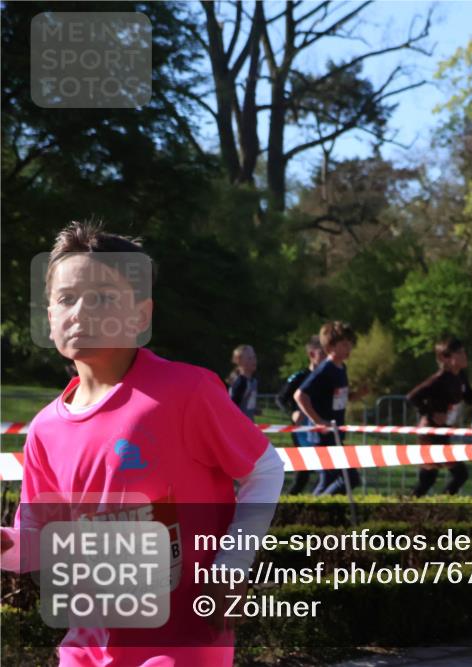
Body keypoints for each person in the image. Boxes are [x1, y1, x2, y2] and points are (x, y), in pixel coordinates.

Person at [0, 222, 284, 666]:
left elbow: (264, 470)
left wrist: (230, 568)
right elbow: (37, 542)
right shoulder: (43, 431)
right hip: (86, 648)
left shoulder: (185, 391)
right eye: (66, 298)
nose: (81, 311)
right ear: (49, 316)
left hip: (181, 644)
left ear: (141, 316)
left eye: (102, 298)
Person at [294, 321, 362, 496]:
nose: (349, 348)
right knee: (348, 478)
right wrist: (319, 422)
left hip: (336, 434)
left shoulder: (341, 368)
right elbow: (300, 395)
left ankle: (312, 515)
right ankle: (312, 512)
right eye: (344, 344)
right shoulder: (326, 368)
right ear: (330, 347)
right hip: (323, 437)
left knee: (329, 480)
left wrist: (358, 394)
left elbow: (337, 398)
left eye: (350, 344)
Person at [407, 335, 472, 497]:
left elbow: (471, 398)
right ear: (447, 358)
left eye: (465, 352)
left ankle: (414, 503)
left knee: (430, 478)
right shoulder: (439, 379)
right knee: (459, 474)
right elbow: (412, 397)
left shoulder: (461, 377)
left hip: (443, 431)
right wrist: (430, 413)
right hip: (430, 432)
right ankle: (440, 504)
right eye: (460, 353)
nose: (465, 357)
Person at [279, 336, 325, 495]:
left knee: (322, 473)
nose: (326, 357)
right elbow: (281, 398)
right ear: (312, 354)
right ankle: (288, 508)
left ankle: (310, 505)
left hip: (321, 429)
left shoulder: (328, 378)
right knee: (306, 474)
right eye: (322, 353)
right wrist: (293, 413)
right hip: (303, 432)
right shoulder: (299, 377)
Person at [227, 343, 258, 420]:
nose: (254, 360)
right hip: (238, 425)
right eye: (249, 358)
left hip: (248, 424)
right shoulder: (240, 382)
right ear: (239, 360)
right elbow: (232, 407)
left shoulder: (253, 381)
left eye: (254, 357)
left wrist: (253, 410)